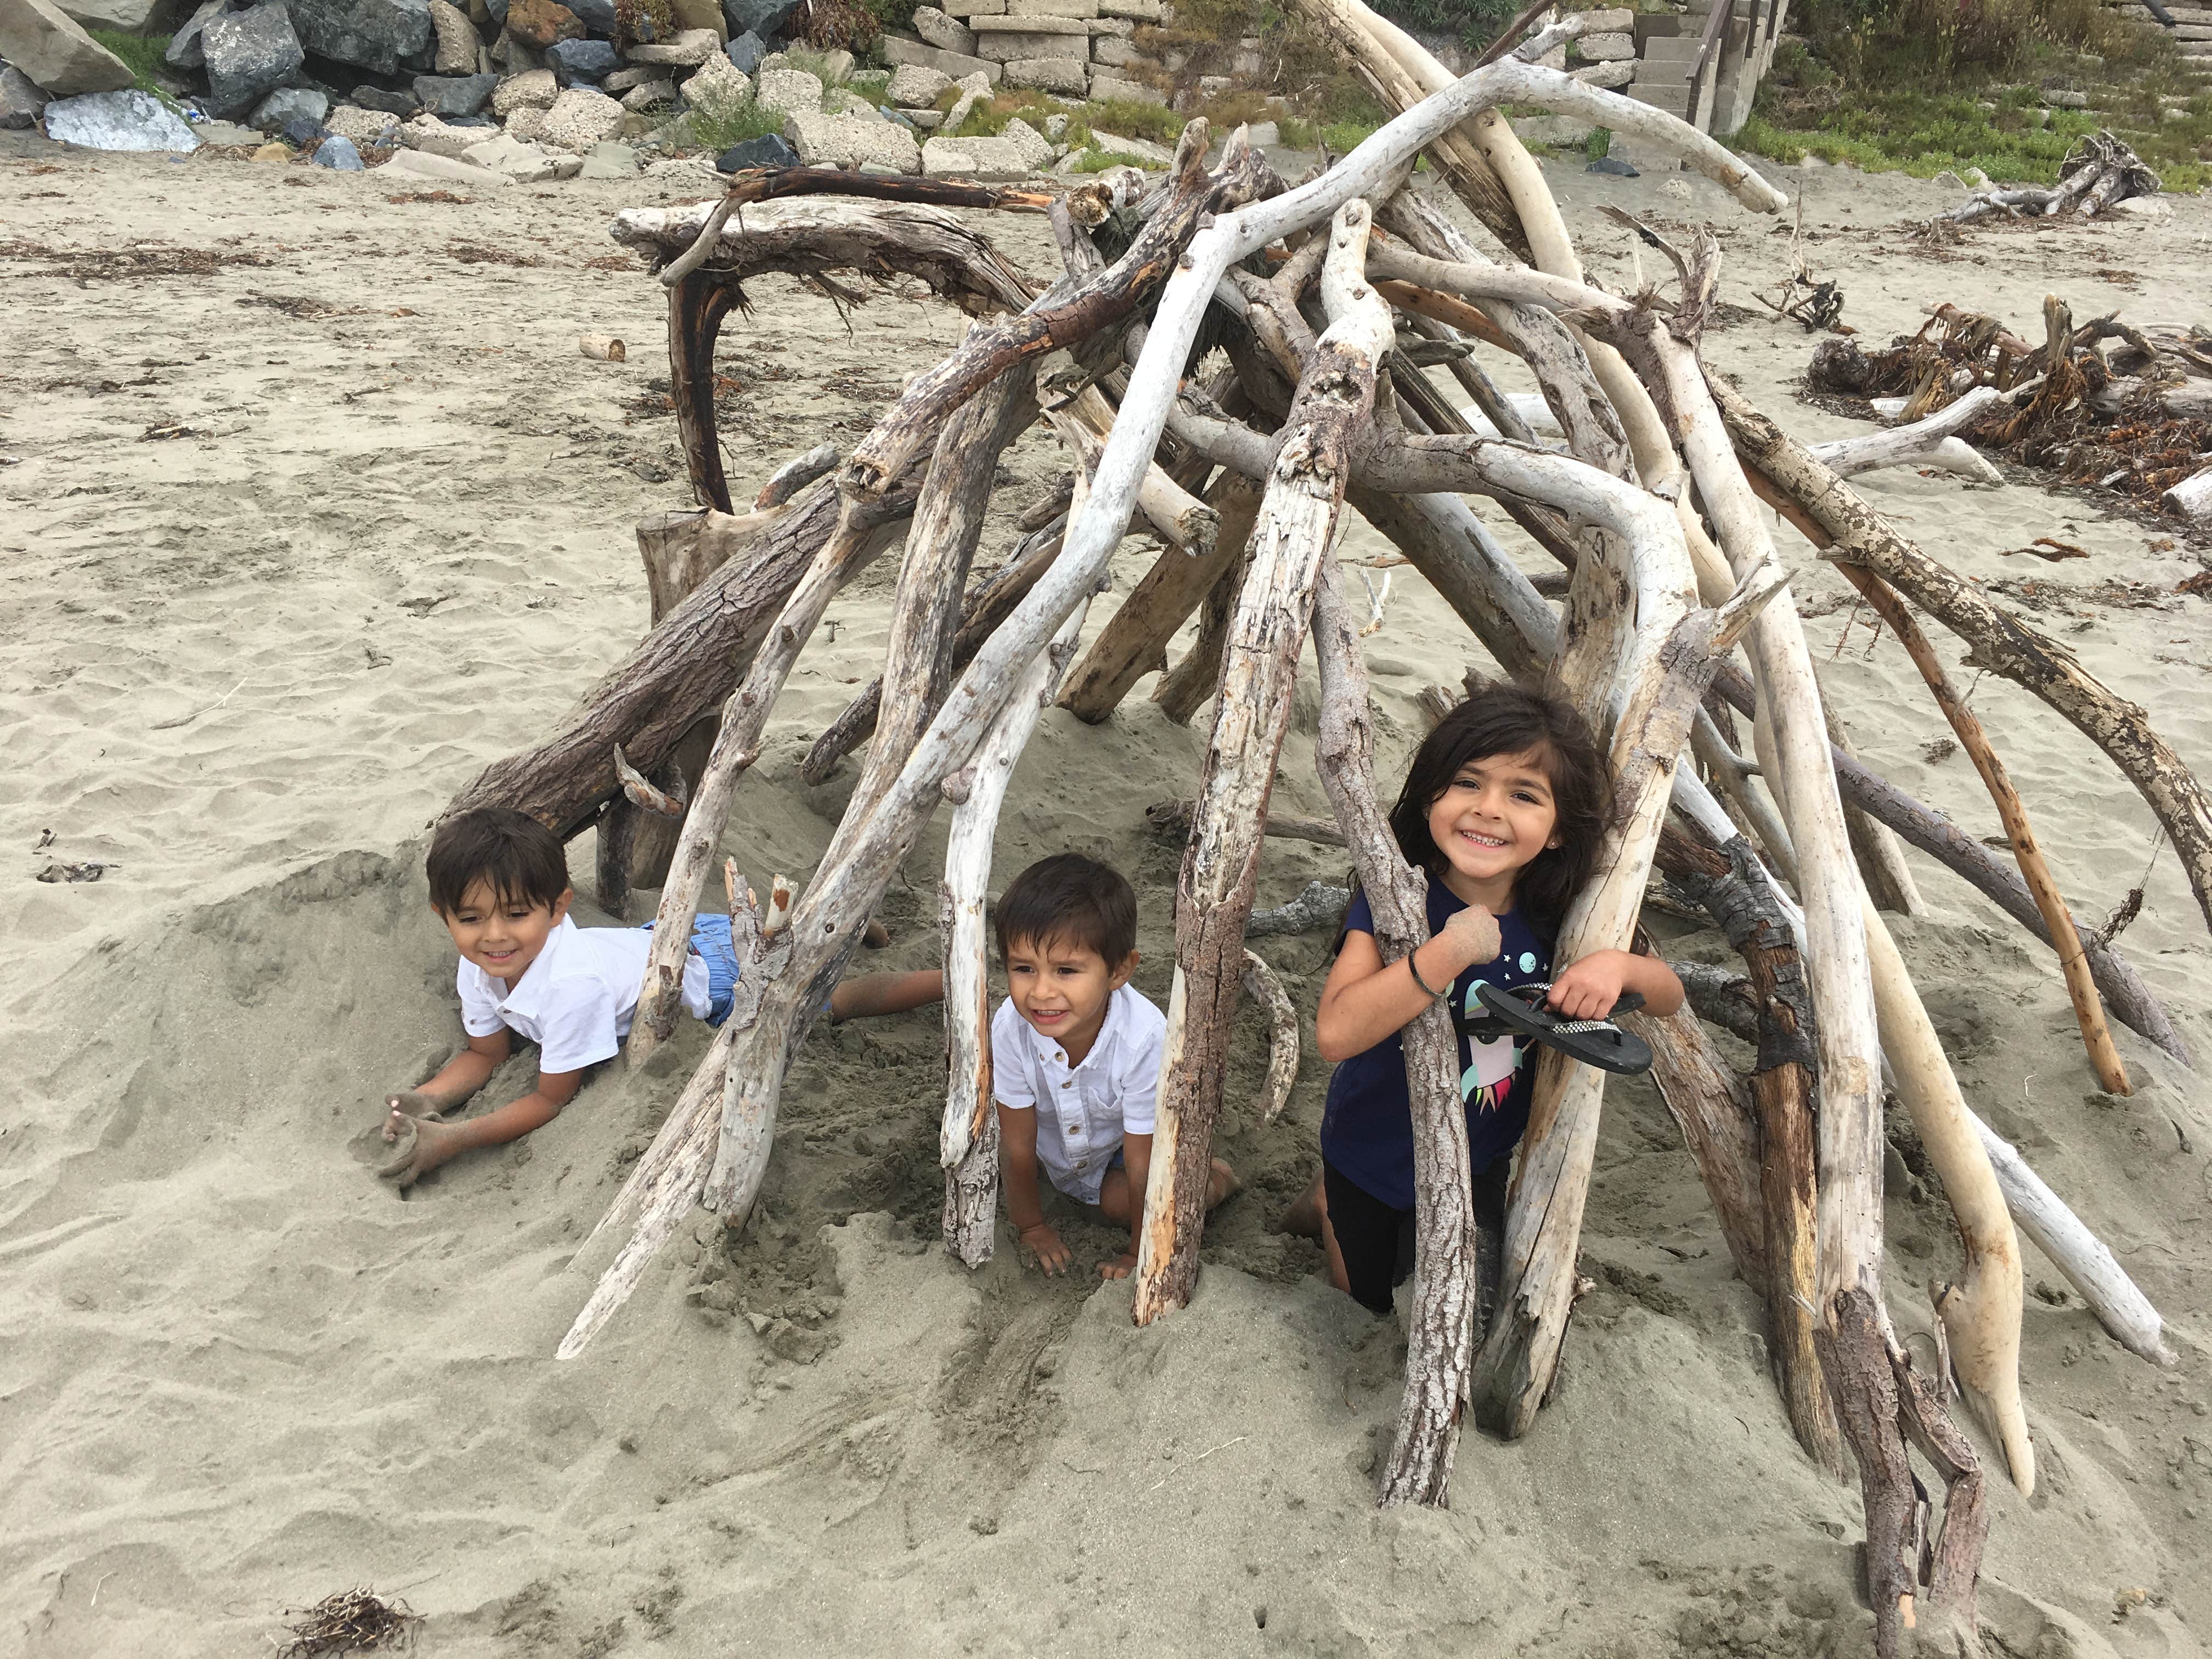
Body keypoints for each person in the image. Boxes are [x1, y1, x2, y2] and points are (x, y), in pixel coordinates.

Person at [1282, 687, 1684, 1316]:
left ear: (1556, 832)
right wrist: (1448, 951)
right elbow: (1336, 1033)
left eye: (1523, 795)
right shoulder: (1396, 903)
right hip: (1369, 1148)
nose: (1488, 809)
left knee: (1461, 1304)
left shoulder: (1562, 919)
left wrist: (1620, 964)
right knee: (1367, 1304)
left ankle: (1322, 1201)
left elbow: (1668, 996)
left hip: (1482, 1152)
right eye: (1467, 783)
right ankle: (1325, 1203)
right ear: (1432, 794)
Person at [376, 807, 942, 1188]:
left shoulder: (571, 987)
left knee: (835, 1001)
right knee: (801, 936)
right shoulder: (480, 966)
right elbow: (486, 1054)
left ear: (558, 908)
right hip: (677, 943)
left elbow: (551, 1101)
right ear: (443, 917)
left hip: (717, 979)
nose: (494, 936)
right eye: (471, 919)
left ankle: (947, 980)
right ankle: (839, 926)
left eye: (517, 915)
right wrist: (426, 1099)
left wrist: (455, 1139)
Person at [990, 853, 1238, 1280]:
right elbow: (1016, 1143)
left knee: (1122, 1204)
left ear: (1119, 971)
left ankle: (1218, 1179)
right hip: (1060, 1157)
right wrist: (1031, 1226)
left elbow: (1143, 1163)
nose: (1041, 991)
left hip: (1121, 1154)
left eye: (1066, 970)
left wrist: (1136, 1252)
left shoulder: (1144, 1039)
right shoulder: (1011, 1028)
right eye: (1023, 969)